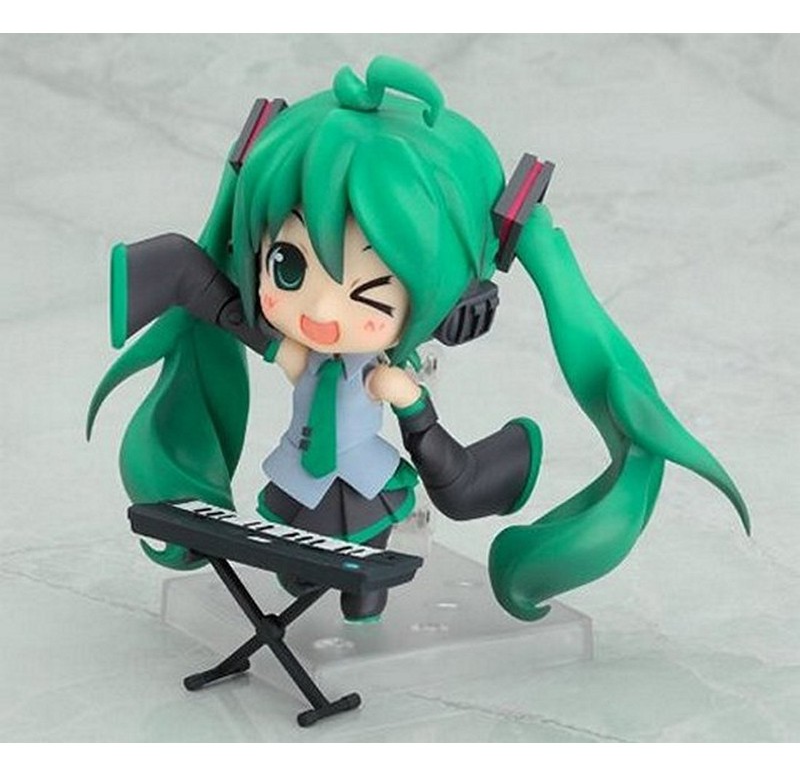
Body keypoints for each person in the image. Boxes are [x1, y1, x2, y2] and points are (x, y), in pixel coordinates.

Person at [88, 56, 748, 623]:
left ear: (453, 298)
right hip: (299, 479)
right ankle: (309, 581)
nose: (323, 310)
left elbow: (417, 425)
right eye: (288, 267)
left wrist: (412, 406)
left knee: (363, 566)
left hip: (364, 484)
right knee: (296, 566)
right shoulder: (299, 353)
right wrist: (182, 279)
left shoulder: (384, 371)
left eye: (368, 290)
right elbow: (236, 320)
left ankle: (372, 591)